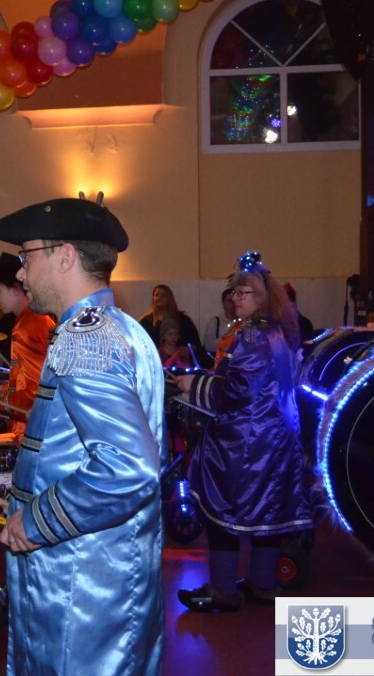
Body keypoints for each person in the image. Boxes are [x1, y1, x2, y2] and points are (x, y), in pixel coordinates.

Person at [0, 198, 165, 676]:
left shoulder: (85, 339)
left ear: (64, 256)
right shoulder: (120, 328)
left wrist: (36, 520)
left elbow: (127, 468)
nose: (20, 273)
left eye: (27, 256)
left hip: (78, 586)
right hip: (106, 572)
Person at [174, 252, 312, 612]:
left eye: (243, 292)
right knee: (268, 514)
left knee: (224, 513)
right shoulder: (277, 331)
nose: (235, 298)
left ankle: (223, 590)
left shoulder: (251, 336)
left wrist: (193, 385)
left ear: (262, 297)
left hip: (247, 442)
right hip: (276, 436)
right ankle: (263, 584)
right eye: (234, 292)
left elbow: (238, 390)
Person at [0, 252, 54, 437]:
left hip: (31, 428)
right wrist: (8, 388)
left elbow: (34, 391)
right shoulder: (35, 318)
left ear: (16, 288)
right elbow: (31, 376)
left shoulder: (26, 327)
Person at [139, 284, 203, 353]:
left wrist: (186, 350)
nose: (159, 297)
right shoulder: (145, 322)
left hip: (180, 358)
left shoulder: (183, 320)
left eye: (163, 295)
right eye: (156, 295)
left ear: (169, 298)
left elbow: (196, 344)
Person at [201, 287, 236, 355]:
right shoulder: (215, 322)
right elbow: (208, 345)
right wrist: (229, 339)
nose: (232, 304)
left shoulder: (245, 322)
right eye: (229, 301)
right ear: (223, 303)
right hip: (218, 359)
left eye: (235, 301)